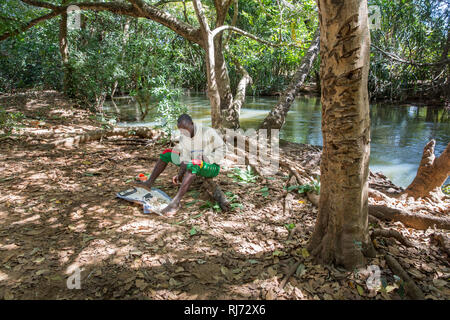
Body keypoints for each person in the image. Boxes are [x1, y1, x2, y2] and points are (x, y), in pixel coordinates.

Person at [134, 114, 225, 216]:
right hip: (193, 163)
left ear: (192, 124)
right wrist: (180, 175)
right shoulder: (184, 137)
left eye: (186, 129)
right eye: (182, 131)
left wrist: (207, 158)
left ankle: (175, 202)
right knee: (168, 153)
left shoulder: (208, 132)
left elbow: (222, 149)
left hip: (212, 166)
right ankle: (149, 183)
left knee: (194, 163)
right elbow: (185, 159)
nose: (184, 132)